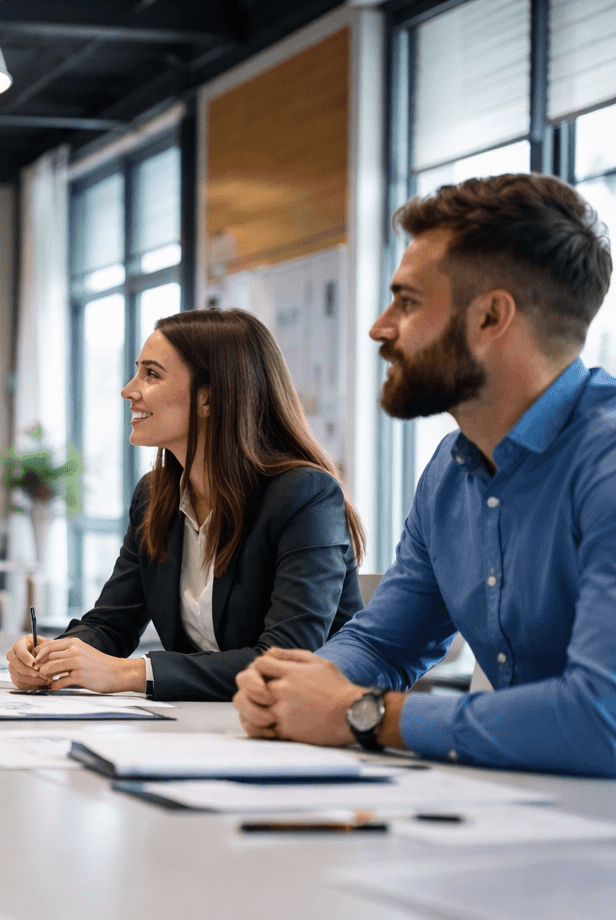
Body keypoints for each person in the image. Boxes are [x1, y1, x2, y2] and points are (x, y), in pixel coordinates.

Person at [234, 173, 616, 777]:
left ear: (491, 317)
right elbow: (387, 642)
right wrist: (300, 683)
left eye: (408, 303)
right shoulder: (449, 469)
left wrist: (363, 714)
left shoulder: (606, 463)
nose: (380, 328)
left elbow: (603, 716)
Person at [8, 308, 365, 701]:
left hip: (307, 731)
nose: (128, 390)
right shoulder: (154, 496)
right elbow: (112, 625)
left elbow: (286, 659)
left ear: (210, 397)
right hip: (203, 726)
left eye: (152, 374)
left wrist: (129, 672)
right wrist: (53, 657)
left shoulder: (305, 496)